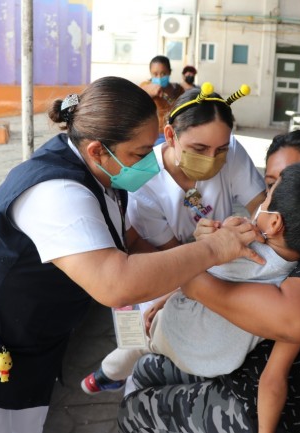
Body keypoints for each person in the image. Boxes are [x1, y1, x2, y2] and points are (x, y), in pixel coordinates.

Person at [0, 76, 262, 433]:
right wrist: (212, 249)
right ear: (97, 150)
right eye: (139, 153)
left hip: (22, 348)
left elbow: (133, 243)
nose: (150, 163)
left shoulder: (106, 175)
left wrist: (188, 273)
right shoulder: (57, 193)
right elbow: (115, 282)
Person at [118, 129, 300, 433]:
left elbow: (288, 324)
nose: (272, 197)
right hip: (240, 370)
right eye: (272, 184)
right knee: (145, 369)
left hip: (277, 411)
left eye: (290, 180)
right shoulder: (297, 238)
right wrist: (184, 285)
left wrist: (191, 275)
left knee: (134, 410)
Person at [81, 82, 266, 392]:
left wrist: (234, 233)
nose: (213, 158)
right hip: (162, 272)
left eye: (221, 149)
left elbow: (262, 209)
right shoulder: (143, 178)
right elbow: (167, 257)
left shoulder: (232, 151)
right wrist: (207, 248)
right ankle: (121, 379)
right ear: (170, 136)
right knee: (146, 340)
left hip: (210, 265)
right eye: (199, 149)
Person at [140, 55, 185, 144]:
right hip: (153, 134)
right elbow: (136, 102)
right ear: (150, 73)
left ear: (170, 72)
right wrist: (149, 92)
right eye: (155, 74)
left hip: (174, 132)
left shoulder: (178, 90)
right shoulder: (145, 86)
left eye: (163, 74)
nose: (159, 77)